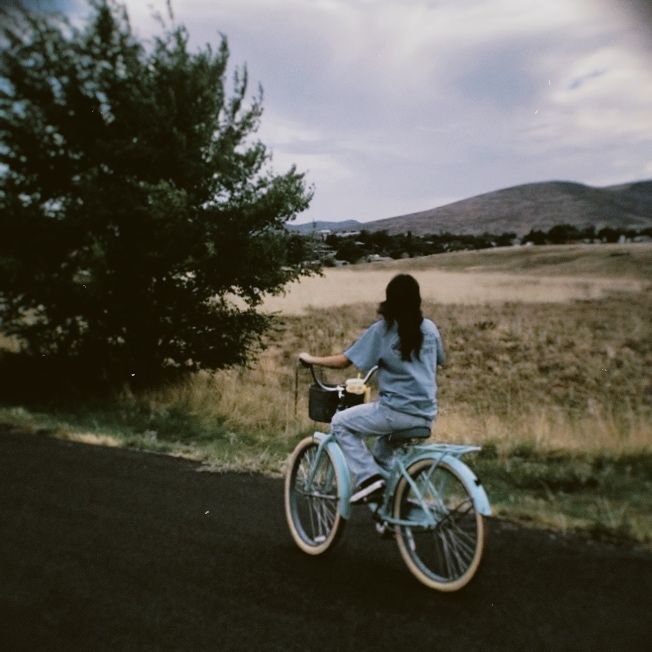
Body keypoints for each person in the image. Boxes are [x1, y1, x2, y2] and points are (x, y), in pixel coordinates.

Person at [299, 273, 445, 504]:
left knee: (340, 422)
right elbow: (439, 360)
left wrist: (312, 359)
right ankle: (393, 507)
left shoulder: (383, 330)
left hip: (396, 413)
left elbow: (345, 361)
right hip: (425, 414)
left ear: (390, 300)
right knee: (382, 451)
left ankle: (369, 481)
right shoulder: (430, 329)